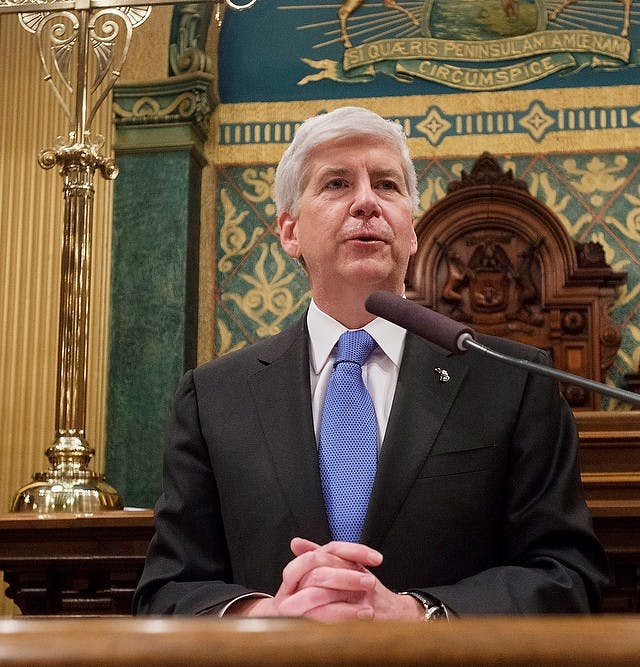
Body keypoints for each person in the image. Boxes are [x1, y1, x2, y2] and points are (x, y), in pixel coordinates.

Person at [133, 106, 607, 620]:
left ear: (412, 231)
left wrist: (419, 615)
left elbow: (568, 578)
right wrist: (261, 619)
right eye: (337, 184)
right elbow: (166, 592)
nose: (366, 202)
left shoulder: (513, 381)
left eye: (387, 185)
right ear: (289, 232)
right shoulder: (213, 397)